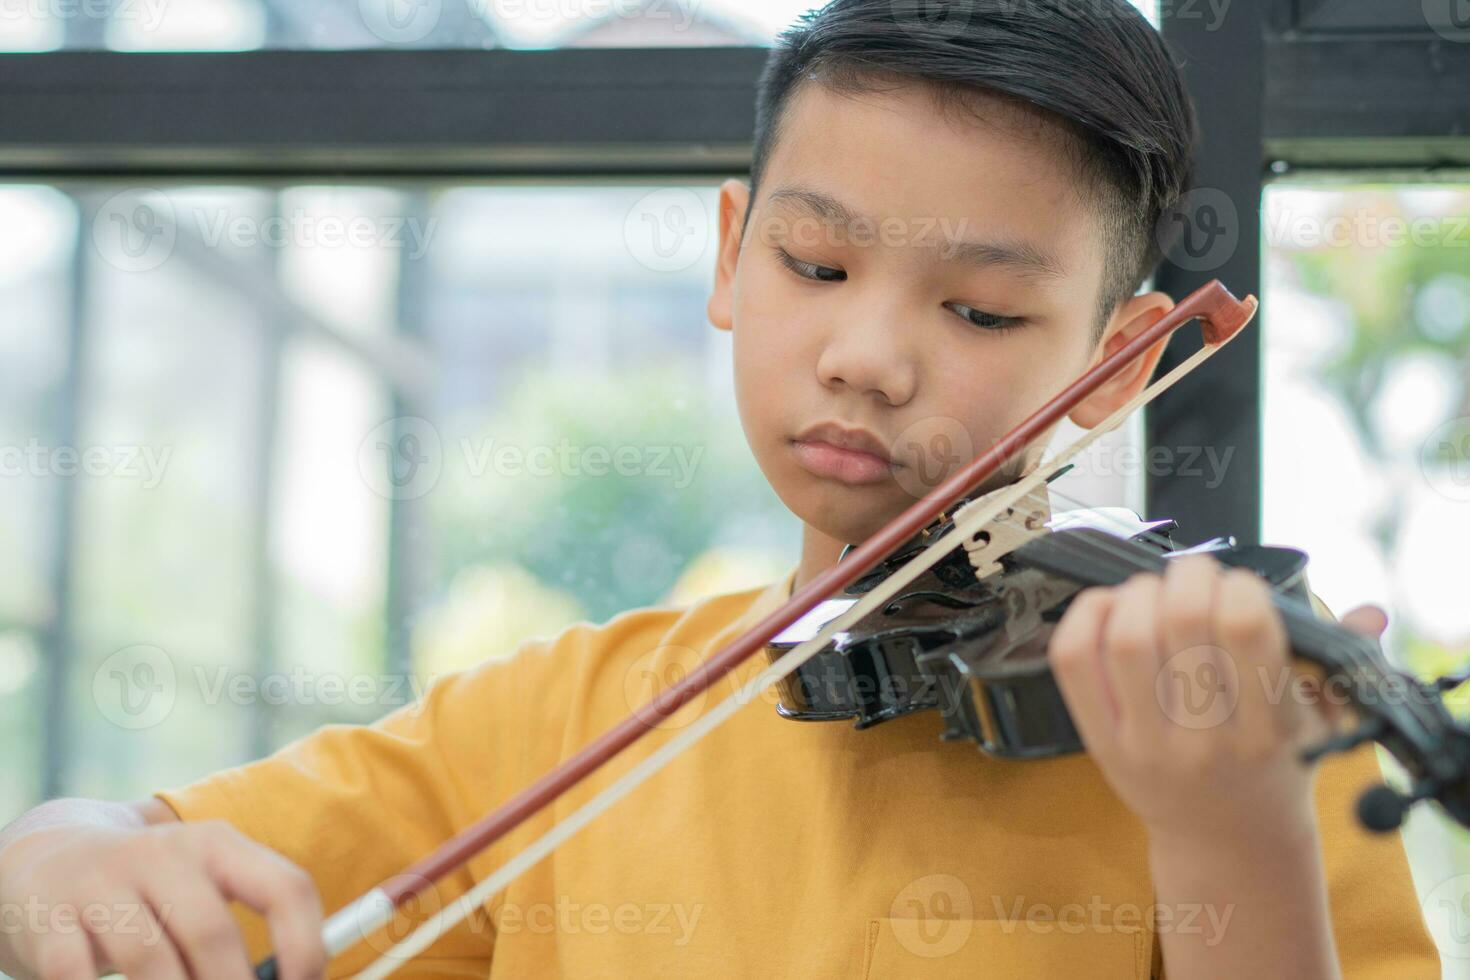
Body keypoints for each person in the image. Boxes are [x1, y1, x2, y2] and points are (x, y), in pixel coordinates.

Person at [0, 2, 1440, 977]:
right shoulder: (556, 723)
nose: (868, 357)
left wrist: (1227, 830)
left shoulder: (1235, 728)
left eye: (983, 314)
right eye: (815, 268)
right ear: (727, 256)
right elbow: (130, 849)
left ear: (1120, 361)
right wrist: (58, 850)